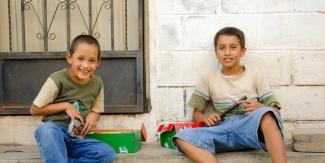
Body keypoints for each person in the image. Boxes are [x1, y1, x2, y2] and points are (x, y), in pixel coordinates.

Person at [173, 27, 287, 163]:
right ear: (216, 52)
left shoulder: (255, 77)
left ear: (242, 51)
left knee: (267, 115)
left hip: (250, 130)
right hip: (222, 131)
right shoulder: (208, 79)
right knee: (181, 137)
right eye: (222, 48)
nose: (227, 53)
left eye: (233, 47)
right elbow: (196, 115)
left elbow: (276, 111)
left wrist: (260, 107)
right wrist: (206, 118)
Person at [30, 35, 116, 163]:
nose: (85, 65)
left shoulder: (97, 83)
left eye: (92, 61)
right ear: (69, 57)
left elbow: (96, 110)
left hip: (77, 139)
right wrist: (66, 106)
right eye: (80, 59)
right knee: (46, 130)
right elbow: (34, 110)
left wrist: (94, 116)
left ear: (98, 62)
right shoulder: (57, 79)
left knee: (107, 153)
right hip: (56, 134)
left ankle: (60, 159)